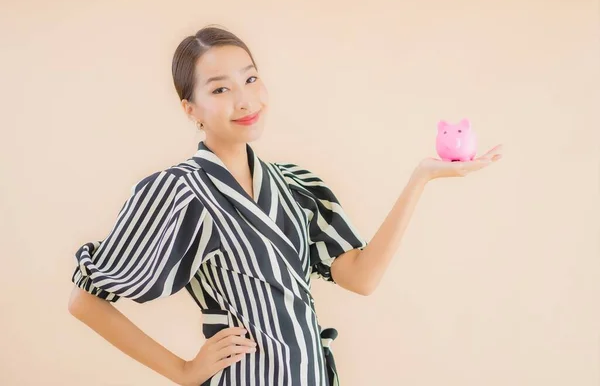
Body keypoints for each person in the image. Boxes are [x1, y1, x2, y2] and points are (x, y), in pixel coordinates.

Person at [67, 26, 503, 386]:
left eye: (251, 79)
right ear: (190, 108)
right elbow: (85, 302)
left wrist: (420, 178)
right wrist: (184, 371)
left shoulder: (296, 185)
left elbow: (363, 277)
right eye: (220, 89)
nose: (244, 100)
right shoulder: (178, 191)